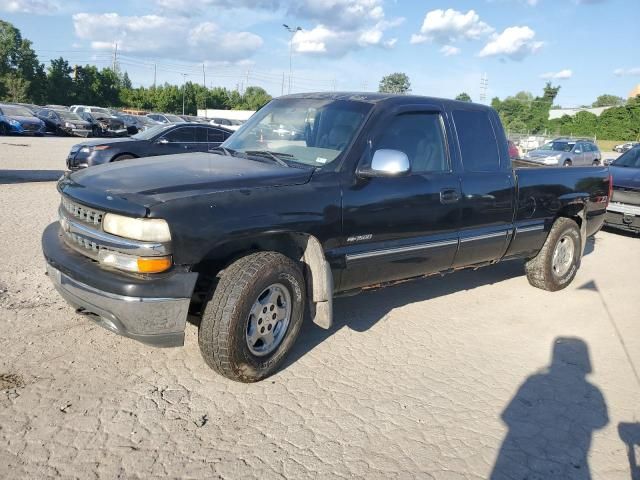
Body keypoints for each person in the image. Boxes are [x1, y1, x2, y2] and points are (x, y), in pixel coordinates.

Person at [491, 337, 608, 480]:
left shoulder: (535, 381)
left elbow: (508, 415)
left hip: (528, 453)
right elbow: (601, 422)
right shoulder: (592, 391)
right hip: (569, 457)